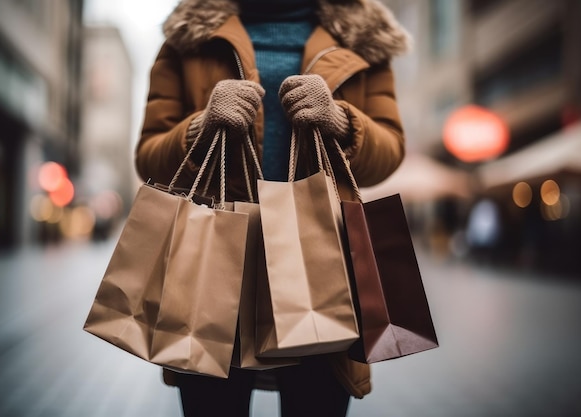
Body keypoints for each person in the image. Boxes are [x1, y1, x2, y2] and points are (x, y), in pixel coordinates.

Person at [135, 0, 410, 415]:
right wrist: (200, 126)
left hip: (322, 259)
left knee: (316, 398)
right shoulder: (187, 35)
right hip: (216, 260)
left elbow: (388, 154)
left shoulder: (364, 36)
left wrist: (340, 120)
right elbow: (149, 158)